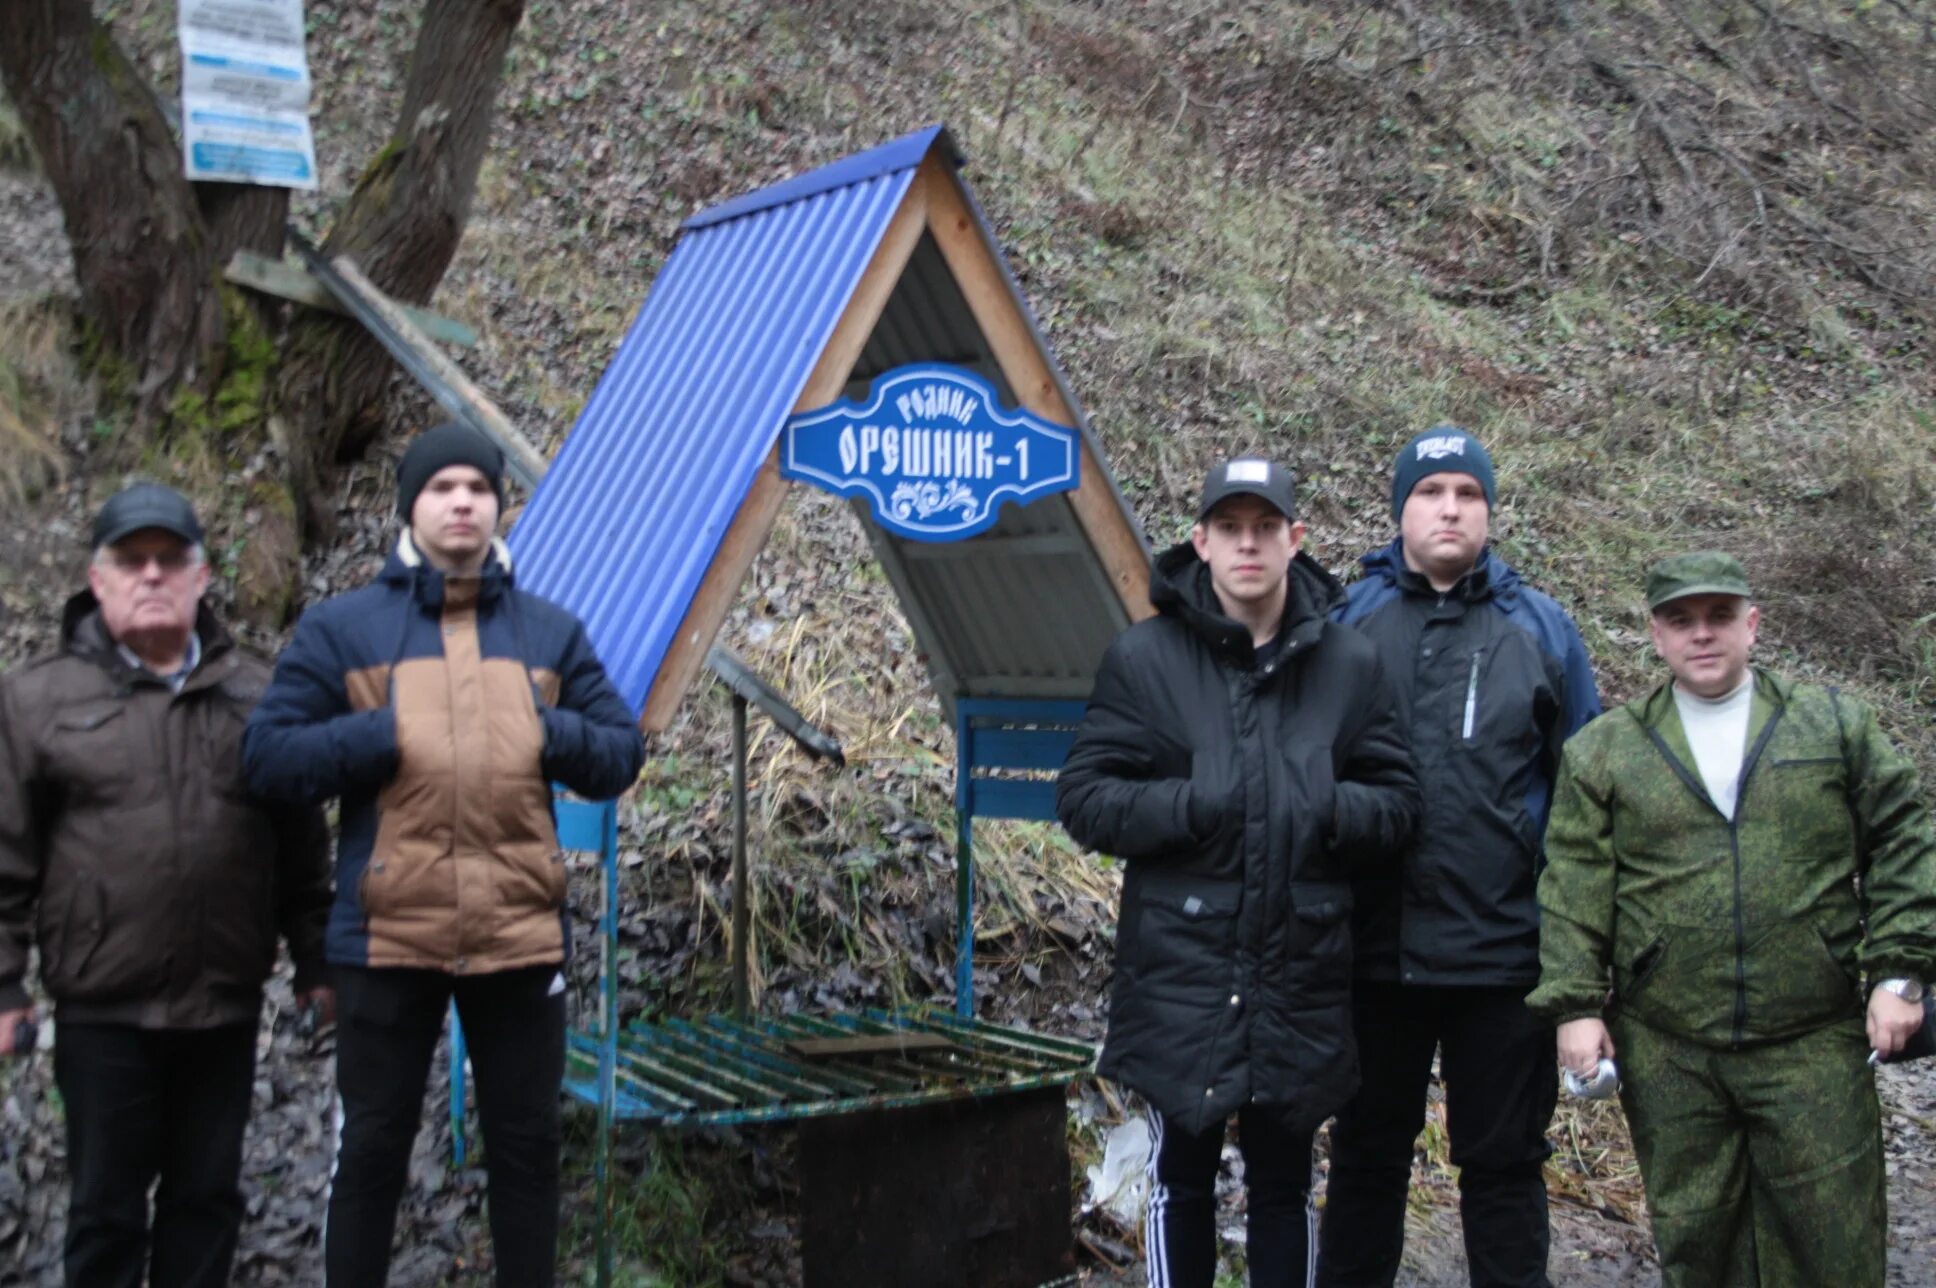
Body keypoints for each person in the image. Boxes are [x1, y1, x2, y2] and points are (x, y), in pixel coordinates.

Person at [242, 423, 646, 1287]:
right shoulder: (343, 630)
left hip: (518, 936)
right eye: (441, 488)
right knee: (374, 1152)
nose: (461, 501)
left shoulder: (549, 633)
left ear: (499, 505)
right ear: (410, 505)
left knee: (529, 1151)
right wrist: (381, 734)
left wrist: (542, 730)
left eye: (477, 486)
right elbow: (268, 759)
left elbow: (620, 753)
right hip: (387, 937)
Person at [1057, 456, 1419, 1288]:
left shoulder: (1351, 666)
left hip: (1301, 969)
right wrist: (1186, 805)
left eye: (1265, 528)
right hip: (1183, 968)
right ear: (1201, 541)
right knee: (1180, 1180)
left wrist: (1331, 808)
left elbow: (1399, 804)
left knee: (1284, 1187)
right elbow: (1084, 798)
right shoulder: (1145, 660)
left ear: (1295, 540)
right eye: (1231, 528)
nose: (1248, 545)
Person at [1528, 551, 1936, 1287]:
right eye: (1682, 620)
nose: (1703, 635)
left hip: (1812, 1041)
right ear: (1655, 634)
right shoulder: (1606, 751)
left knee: (1833, 1245)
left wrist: (1900, 972)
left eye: (1719, 617)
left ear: (1753, 623)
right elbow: (1575, 883)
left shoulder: (1830, 725)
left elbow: (1905, 837)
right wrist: (1576, 1006)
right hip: (1671, 1048)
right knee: (1699, 1244)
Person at [0, 483, 332, 1288]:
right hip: (102, 1009)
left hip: (223, 1004)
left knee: (206, 1202)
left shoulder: (259, 697)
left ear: (201, 576)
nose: (151, 575)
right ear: (98, 578)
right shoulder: (35, 699)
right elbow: (6, 855)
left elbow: (300, 852)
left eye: (168, 560)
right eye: (130, 560)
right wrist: (5, 985)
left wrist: (319, 967)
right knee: (106, 1212)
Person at [1318, 426, 1599, 1288]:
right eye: (1431, 492)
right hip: (1372, 956)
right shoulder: (1344, 624)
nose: (1450, 508)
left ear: (1488, 510)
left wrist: (1580, 969)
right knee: (1366, 1161)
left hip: (1504, 959)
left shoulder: (1542, 630)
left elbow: (1587, 808)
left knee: (1506, 1166)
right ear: (1400, 508)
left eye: (1467, 494)